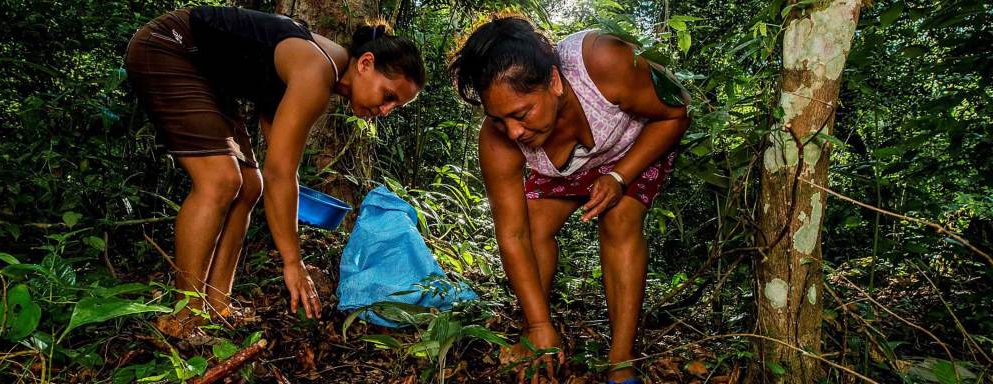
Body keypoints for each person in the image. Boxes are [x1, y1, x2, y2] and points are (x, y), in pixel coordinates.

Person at [124, 5, 425, 337]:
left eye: (395, 107)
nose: (385, 111)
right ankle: (186, 315)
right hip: (170, 46)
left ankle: (217, 305)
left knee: (249, 185)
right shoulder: (318, 69)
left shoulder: (322, 68)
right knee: (221, 180)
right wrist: (292, 263)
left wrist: (288, 196)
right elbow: (280, 172)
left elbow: (277, 166)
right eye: (388, 96)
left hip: (208, 73)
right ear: (365, 63)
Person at [449, 16, 689, 384]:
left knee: (620, 217)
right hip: (569, 168)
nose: (513, 131)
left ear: (555, 82)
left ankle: (621, 362)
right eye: (498, 119)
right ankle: (535, 333)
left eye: (521, 114)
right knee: (531, 223)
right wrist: (540, 324)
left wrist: (619, 176)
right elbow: (513, 236)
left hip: (636, 146)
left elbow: (675, 113)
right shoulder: (499, 140)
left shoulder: (603, 60)